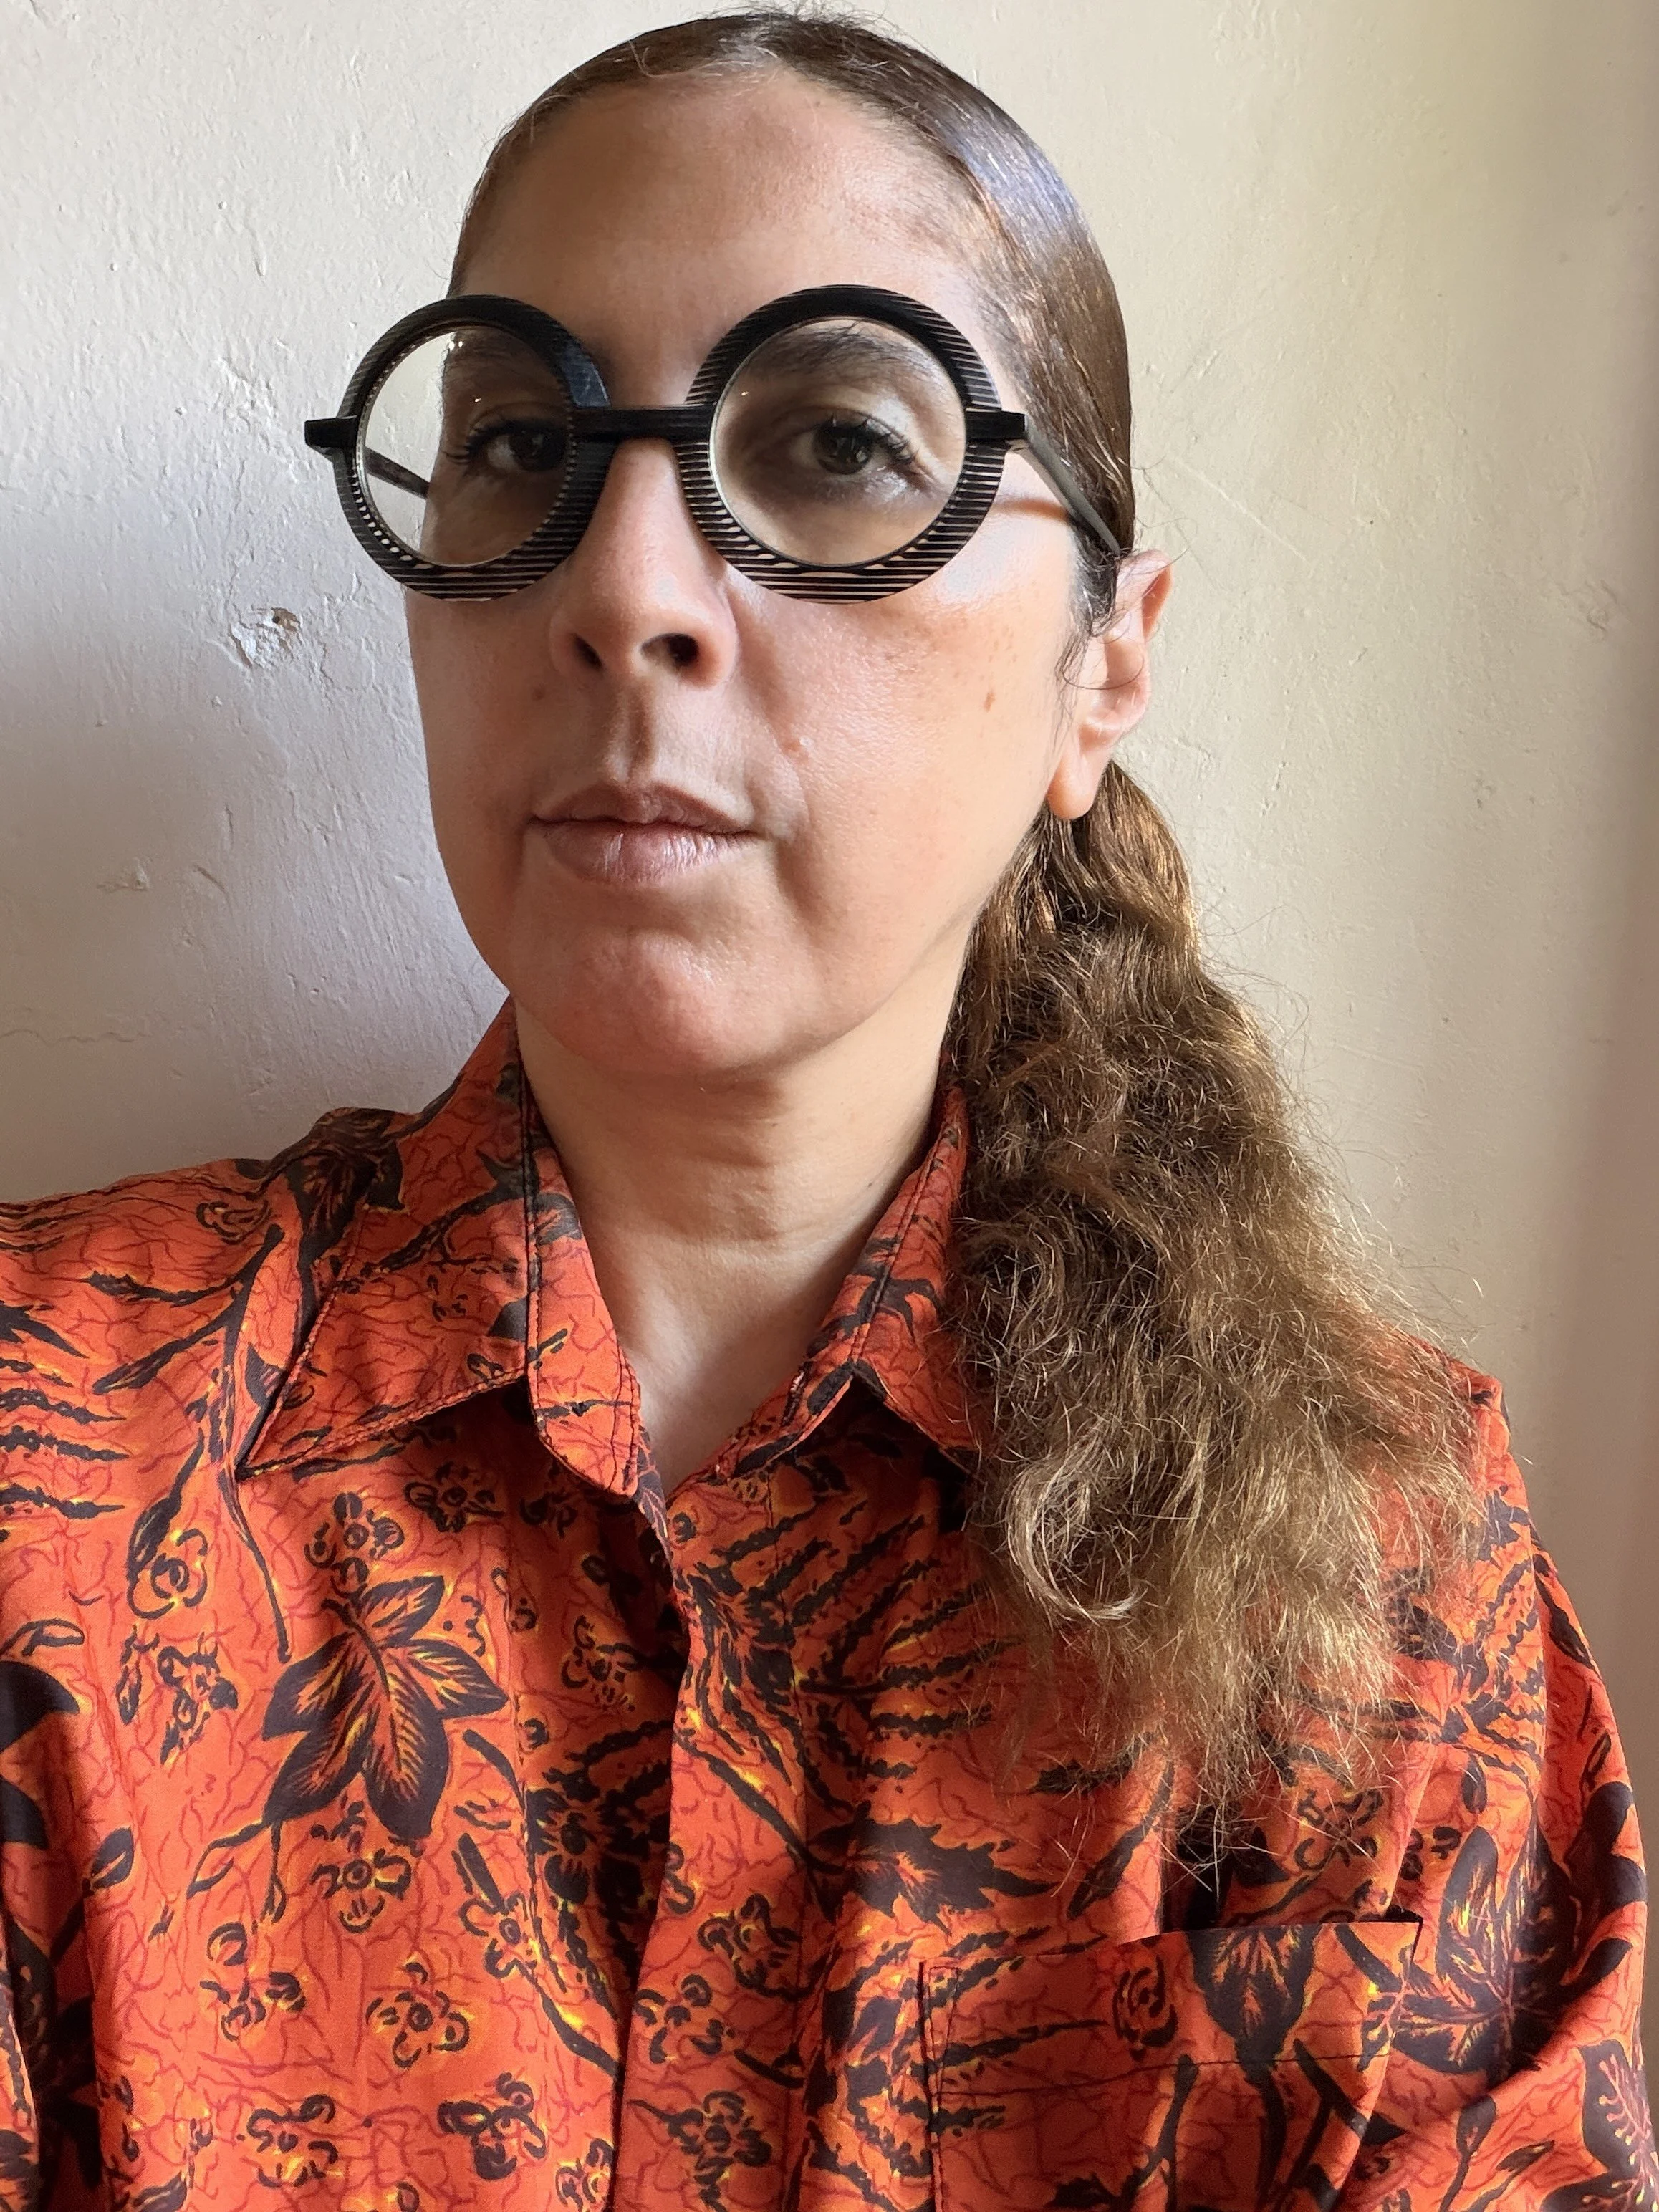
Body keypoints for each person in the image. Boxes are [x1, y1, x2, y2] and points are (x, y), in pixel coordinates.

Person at [0, 13, 1650, 2209]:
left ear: (1104, 664)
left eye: (839, 446)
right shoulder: (53, 1459)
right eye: (517, 443)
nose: (622, 591)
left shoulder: (1368, 1555)